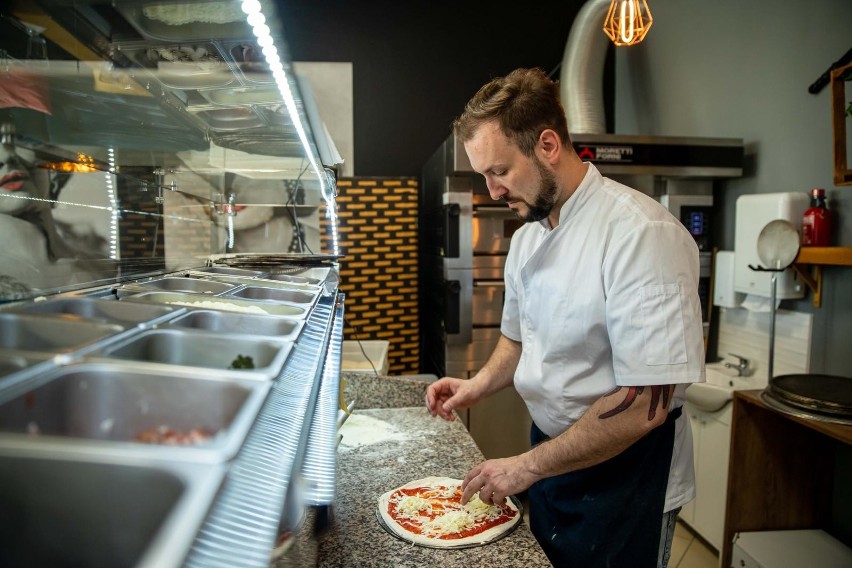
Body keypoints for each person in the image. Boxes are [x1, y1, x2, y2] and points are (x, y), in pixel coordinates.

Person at [425, 68, 705, 568]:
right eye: (483, 175)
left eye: (500, 171)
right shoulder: (530, 234)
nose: (491, 191)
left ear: (548, 144)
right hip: (553, 460)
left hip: (628, 475)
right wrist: (476, 386)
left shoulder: (641, 235)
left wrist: (525, 467)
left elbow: (645, 406)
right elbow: (518, 340)